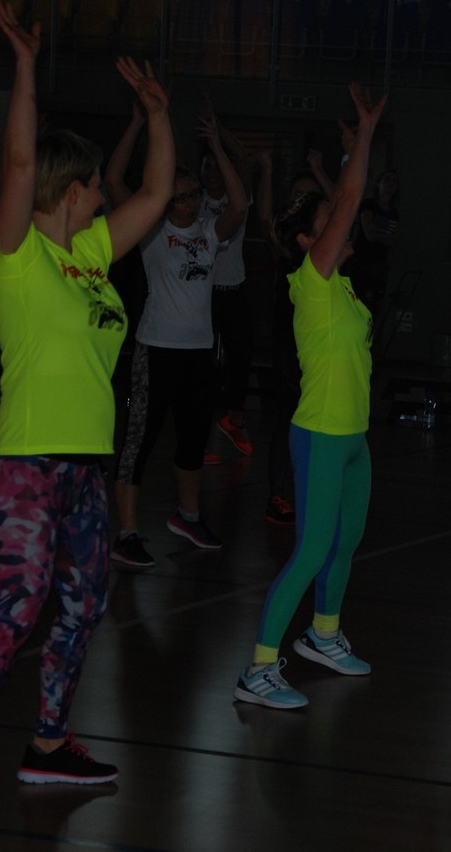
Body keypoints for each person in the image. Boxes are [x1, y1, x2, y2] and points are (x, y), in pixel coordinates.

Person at [0, 1, 174, 844]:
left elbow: (159, 193)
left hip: (84, 466)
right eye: (95, 183)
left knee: (85, 601)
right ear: (71, 188)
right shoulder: (17, 251)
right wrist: (25, 65)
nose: (105, 193)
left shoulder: (90, 255)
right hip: (26, 461)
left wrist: (159, 118)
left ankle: (49, 742)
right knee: (18, 612)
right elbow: (19, 158)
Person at [232, 82, 386, 711]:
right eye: (327, 221)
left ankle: (323, 636)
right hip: (320, 433)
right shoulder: (312, 284)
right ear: (307, 242)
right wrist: (364, 137)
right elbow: (349, 200)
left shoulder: (341, 288)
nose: (341, 221)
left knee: (344, 544)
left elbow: (346, 202)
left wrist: (352, 152)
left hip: (353, 438)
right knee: (310, 552)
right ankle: (258, 670)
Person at [107, 101, 248, 568]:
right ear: (166, 200)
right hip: (157, 350)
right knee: (140, 440)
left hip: (198, 354)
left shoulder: (209, 233)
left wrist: (216, 146)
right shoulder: (150, 232)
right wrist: (136, 123)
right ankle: (127, 532)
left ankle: (187, 516)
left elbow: (240, 205)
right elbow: (114, 181)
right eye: (181, 196)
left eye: (193, 195)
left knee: (192, 440)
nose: (189, 202)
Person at [257, 148, 333, 528]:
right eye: (299, 195)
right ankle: (279, 495)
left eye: (310, 195)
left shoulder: (328, 248)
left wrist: (320, 170)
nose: (305, 200)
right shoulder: (289, 243)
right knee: (288, 415)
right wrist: (268, 170)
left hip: (318, 341)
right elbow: (264, 218)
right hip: (289, 338)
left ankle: (309, 493)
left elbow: (340, 208)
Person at [200, 128, 257, 457]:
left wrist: (217, 133)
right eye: (206, 168)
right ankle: (201, 429)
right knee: (204, 363)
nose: (212, 174)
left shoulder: (237, 200)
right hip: (203, 293)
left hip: (234, 289)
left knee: (240, 355)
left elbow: (244, 161)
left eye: (216, 168)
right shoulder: (194, 201)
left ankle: (234, 419)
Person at [348, 168, 400, 320]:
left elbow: (395, 241)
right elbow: (369, 234)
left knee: (375, 306)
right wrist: (385, 237)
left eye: (395, 181)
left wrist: (379, 236)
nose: (391, 183)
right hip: (362, 262)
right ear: (378, 184)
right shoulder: (369, 205)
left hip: (380, 264)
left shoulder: (393, 213)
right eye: (387, 179)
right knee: (358, 302)